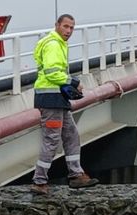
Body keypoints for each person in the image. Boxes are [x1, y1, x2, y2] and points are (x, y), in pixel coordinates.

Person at [31, 14, 99, 193]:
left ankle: (76, 175)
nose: (68, 31)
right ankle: (39, 181)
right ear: (57, 25)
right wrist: (74, 82)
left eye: (71, 28)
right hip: (50, 99)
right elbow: (52, 73)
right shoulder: (53, 44)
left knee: (71, 134)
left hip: (57, 99)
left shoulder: (58, 43)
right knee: (51, 139)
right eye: (65, 27)